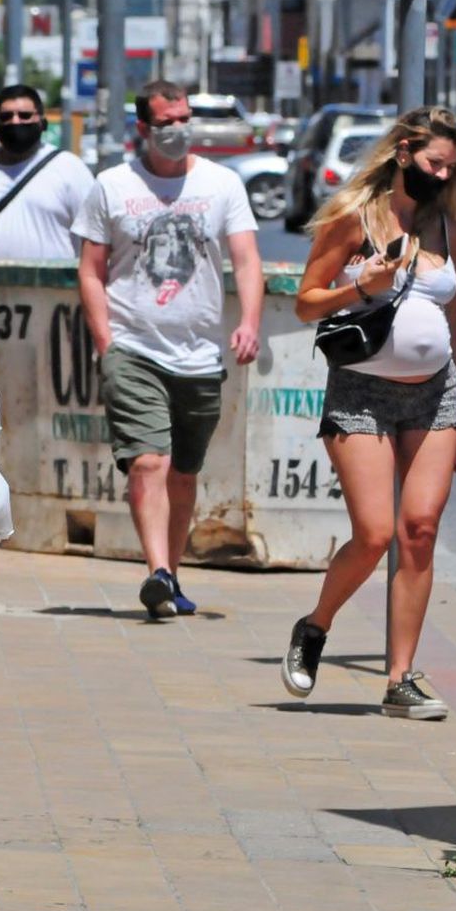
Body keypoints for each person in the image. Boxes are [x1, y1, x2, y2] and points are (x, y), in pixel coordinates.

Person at [280, 106, 456, 721]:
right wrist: (362, 286)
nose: (442, 176)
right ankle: (314, 627)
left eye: (450, 168)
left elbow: (453, 322)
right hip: (362, 392)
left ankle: (400, 678)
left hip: (434, 394)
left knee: (419, 530)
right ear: (402, 155)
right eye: (433, 164)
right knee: (374, 534)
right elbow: (305, 305)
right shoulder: (353, 220)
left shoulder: (446, 226)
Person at [73, 80, 263, 620]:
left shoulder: (222, 183)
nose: (179, 130)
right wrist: (106, 343)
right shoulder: (110, 186)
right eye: (167, 123)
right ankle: (156, 571)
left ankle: (170, 577)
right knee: (149, 462)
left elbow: (247, 260)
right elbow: (90, 270)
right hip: (133, 346)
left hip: (199, 353)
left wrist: (248, 321)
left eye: (184, 119)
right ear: (143, 129)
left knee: (183, 471)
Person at [0, 84, 94, 260]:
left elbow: (92, 236)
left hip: (53, 286)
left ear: (42, 123)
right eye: (6, 116)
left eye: (25, 116)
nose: (15, 121)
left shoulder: (70, 169)